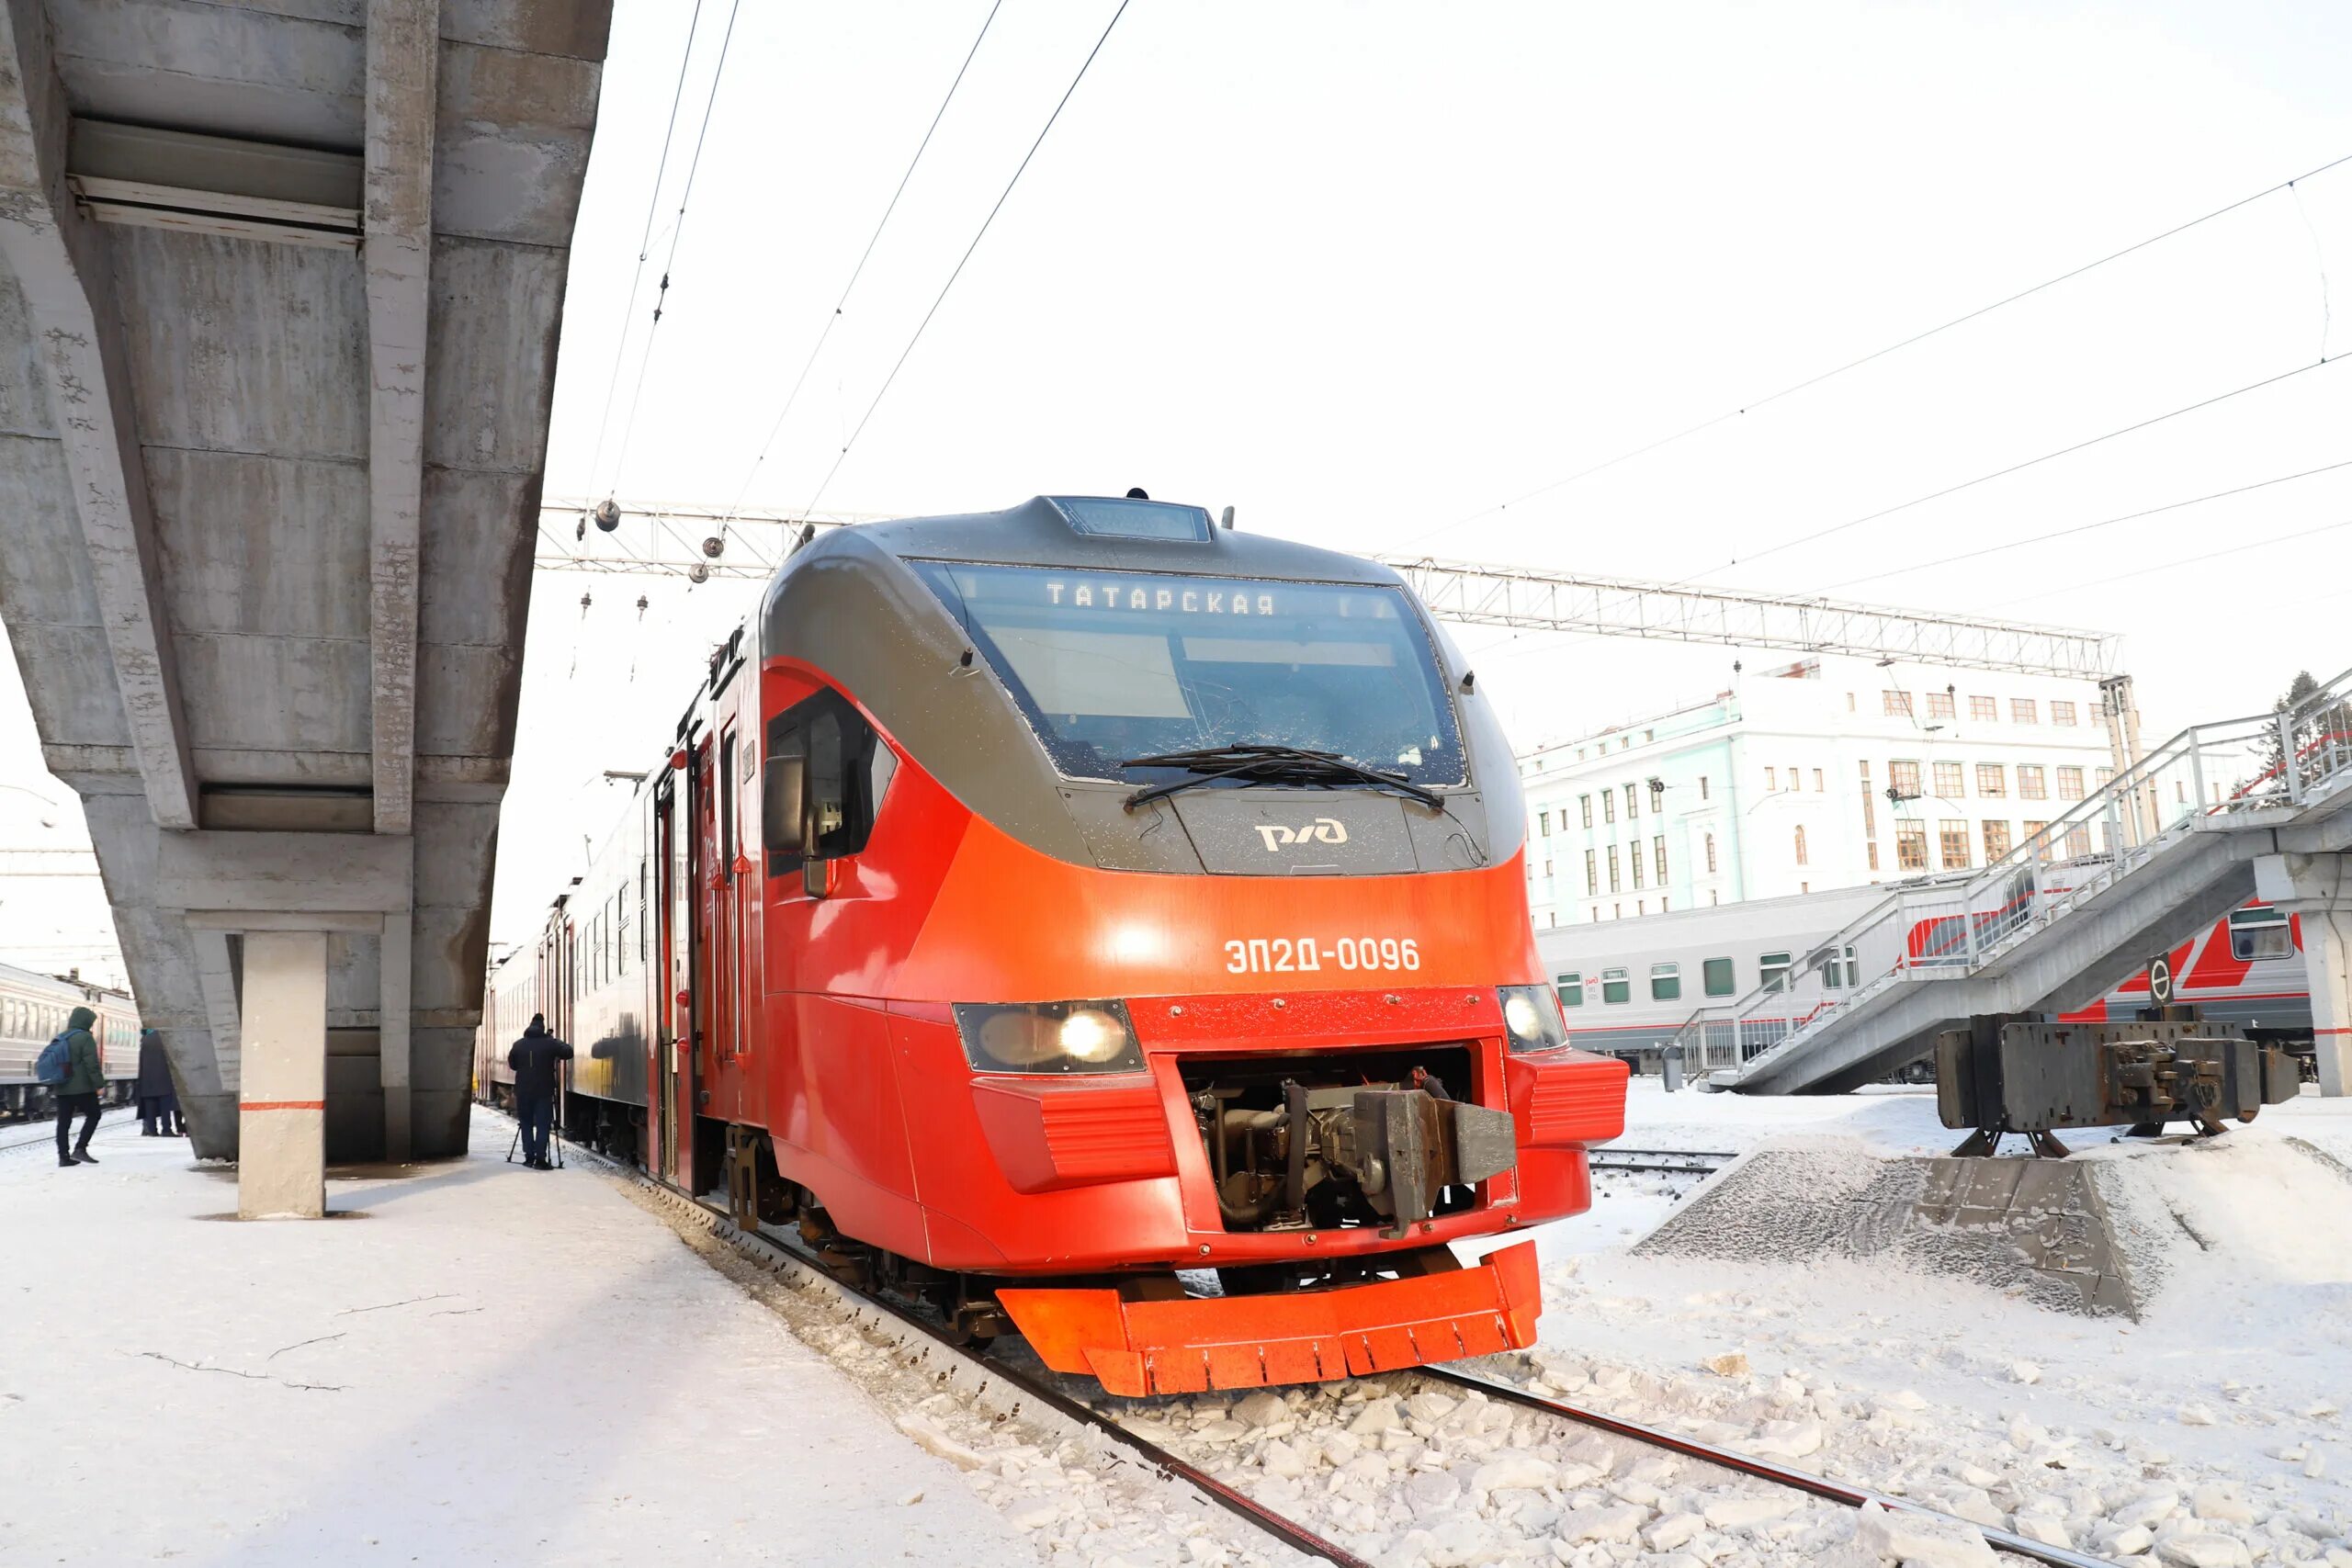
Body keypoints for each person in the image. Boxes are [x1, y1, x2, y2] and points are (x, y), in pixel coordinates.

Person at [507, 1014, 572, 1170]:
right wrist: (554, 1040)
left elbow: (513, 1065)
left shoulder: (518, 1045)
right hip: (544, 1091)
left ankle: (529, 1157)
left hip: (523, 1091)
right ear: (543, 1028)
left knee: (526, 1123)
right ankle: (541, 1159)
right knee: (543, 1125)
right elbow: (568, 1052)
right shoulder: (550, 1043)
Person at [53, 1005, 104, 1168]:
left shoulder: (61, 1036)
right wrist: (99, 1084)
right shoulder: (85, 1038)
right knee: (94, 1114)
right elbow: (92, 1064)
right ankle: (80, 1148)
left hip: (62, 1086)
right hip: (82, 1087)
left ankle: (63, 1156)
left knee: (63, 1122)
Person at [135, 1027, 179, 1136]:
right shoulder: (165, 1037)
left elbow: (141, 1061)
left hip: (147, 1078)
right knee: (165, 1105)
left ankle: (152, 1130)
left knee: (150, 1105)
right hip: (163, 1077)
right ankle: (166, 1130)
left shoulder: (145, 1039)